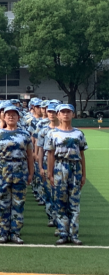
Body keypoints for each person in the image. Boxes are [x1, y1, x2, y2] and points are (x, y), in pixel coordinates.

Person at [0, 105, 34, 244]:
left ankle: (15, 233)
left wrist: (31, 172)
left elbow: (30, 155)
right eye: (8, 114)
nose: (11, 117)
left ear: (18, 117)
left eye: (14, 114)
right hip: (3, 170)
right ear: (3, 117)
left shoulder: (25, 134)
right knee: (3, 202)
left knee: (18, 203)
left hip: (20, 170)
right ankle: (3, 232)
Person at [45, 104, 87, 245]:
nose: (65, 114)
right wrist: (50, 173)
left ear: (73, 114)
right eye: (62, 112)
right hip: (59, 166)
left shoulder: (78, 134)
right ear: (58, 115)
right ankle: (63, 233)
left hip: (75, 167)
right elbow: (50, 154)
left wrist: (84, 174)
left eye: (68, 112)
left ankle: (74, 234)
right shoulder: (52, 133)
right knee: (60, 201)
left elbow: (82, 154)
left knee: (74, 203)